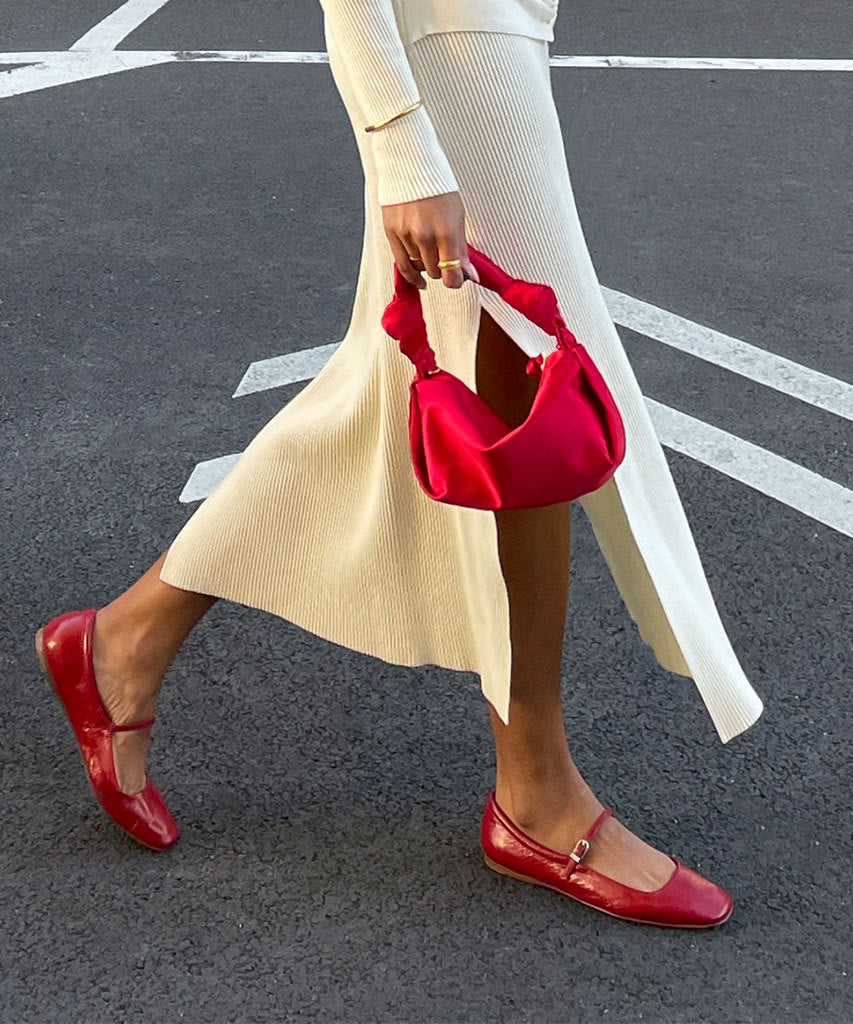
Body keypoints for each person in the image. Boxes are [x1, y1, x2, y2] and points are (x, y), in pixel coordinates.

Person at [35, 0, 764, 928]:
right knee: (514, 384)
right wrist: (400, 138)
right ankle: (535, 793)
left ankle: (126, 638)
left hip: (492, 32)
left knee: (428, 386)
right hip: (448, 45)